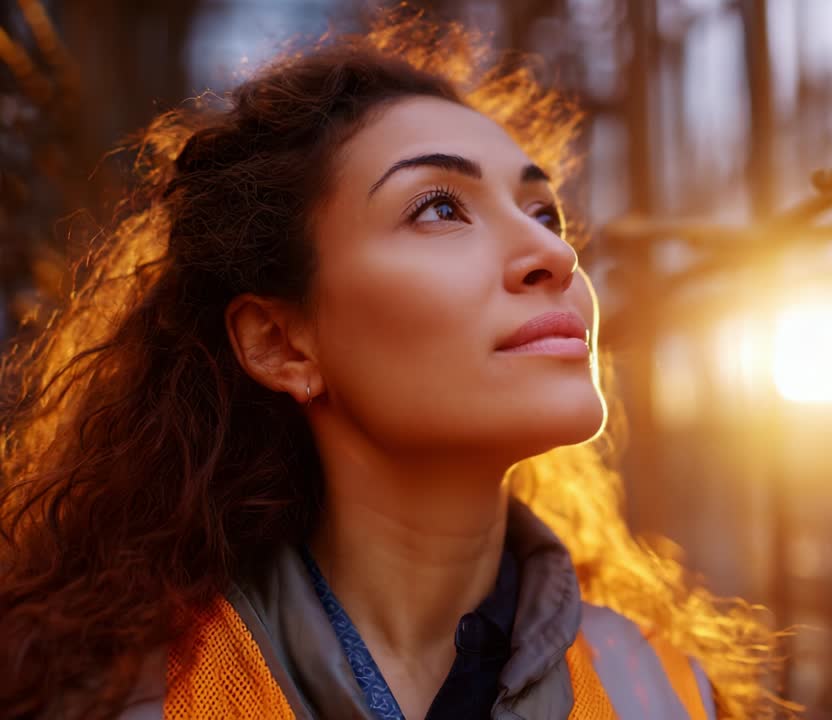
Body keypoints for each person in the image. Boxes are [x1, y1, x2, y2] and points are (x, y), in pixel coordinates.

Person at [0, 14, 779, 720]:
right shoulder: (119, 699)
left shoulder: (666, 691)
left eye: (544, 212)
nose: (554, 252)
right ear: (280, 344)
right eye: (439, 208)